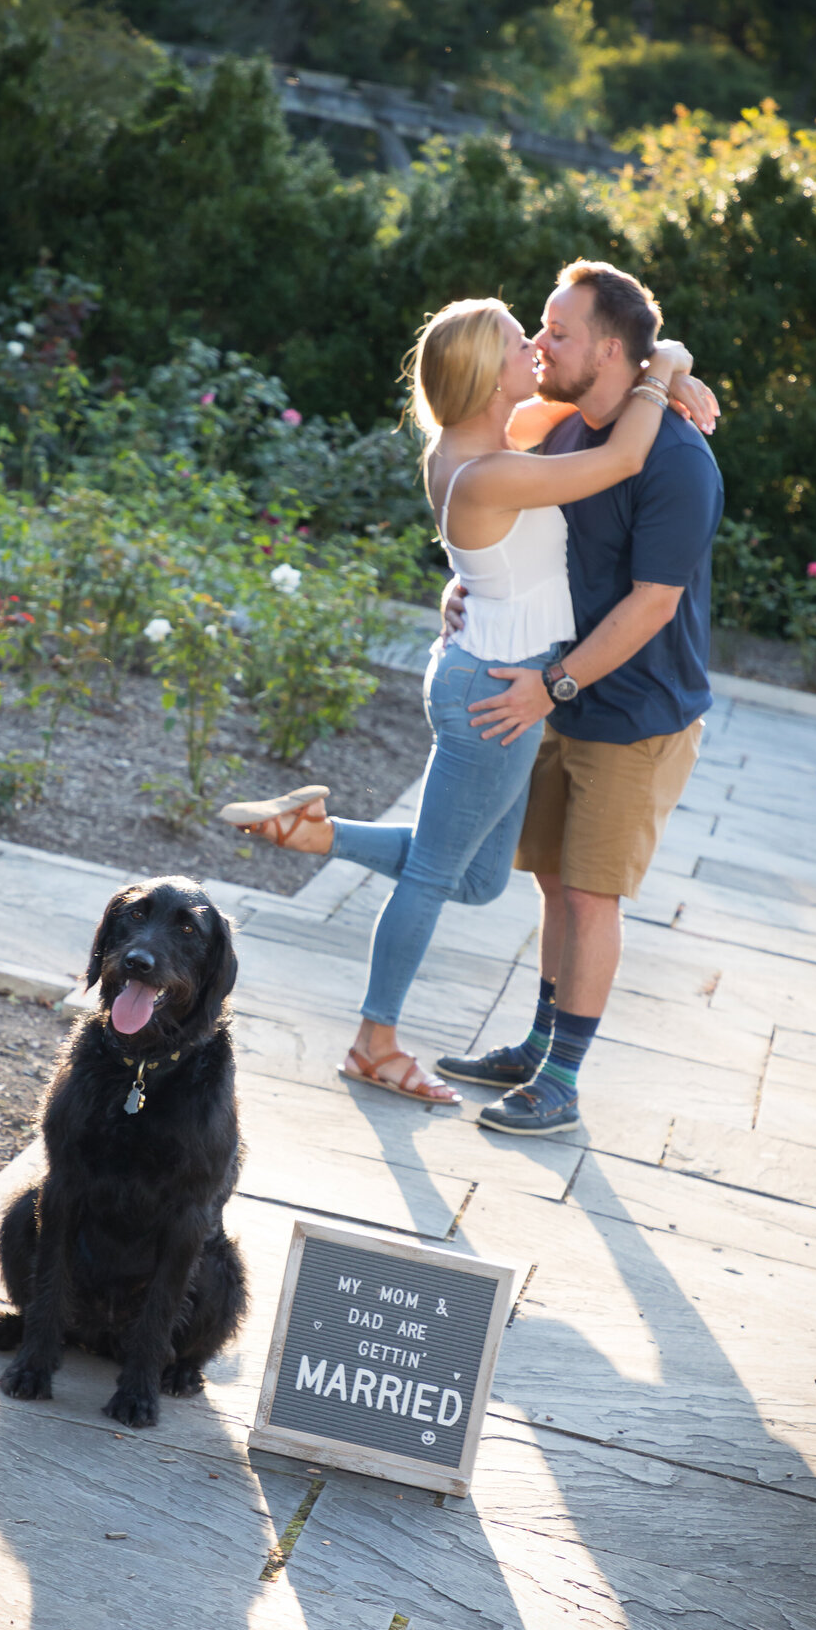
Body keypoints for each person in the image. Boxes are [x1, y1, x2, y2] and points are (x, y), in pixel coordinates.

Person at [219, 294, 716, 1105]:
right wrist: (665, 367)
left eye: (551, 335)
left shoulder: (478, 448)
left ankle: (317, 833)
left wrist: (668, 360)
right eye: (528, 341)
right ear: (493, 379)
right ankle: (374, 1042)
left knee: (481, 878)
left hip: (485, 672)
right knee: (436, 877)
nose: (540, 351)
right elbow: (622, 458)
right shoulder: (499, 465)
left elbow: (513, 533)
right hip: (499, 689)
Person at [434, 260, 724, 1135]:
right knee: (554, 882)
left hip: (635, 714)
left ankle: (561, 1082)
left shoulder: (677, 460)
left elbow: (653, 604)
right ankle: (534, 1044)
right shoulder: (565, 425)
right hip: (555, 691)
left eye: (556, 332)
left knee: (593, 894)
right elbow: (498, 520)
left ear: (606, 348)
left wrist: (551, 686)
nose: (537, 342)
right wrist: (466, 592)